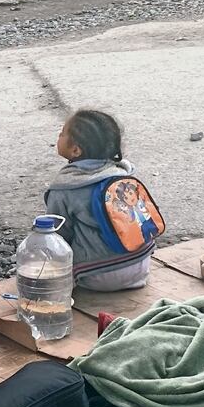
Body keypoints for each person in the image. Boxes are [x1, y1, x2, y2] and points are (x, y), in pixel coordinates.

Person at [45, 110, 154, 292]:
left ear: (76, 150)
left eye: (62, 133)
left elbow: (56, 236)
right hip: (140, 266)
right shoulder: (122, 175)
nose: (59, 136)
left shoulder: (65, 188)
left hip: (98, 277)